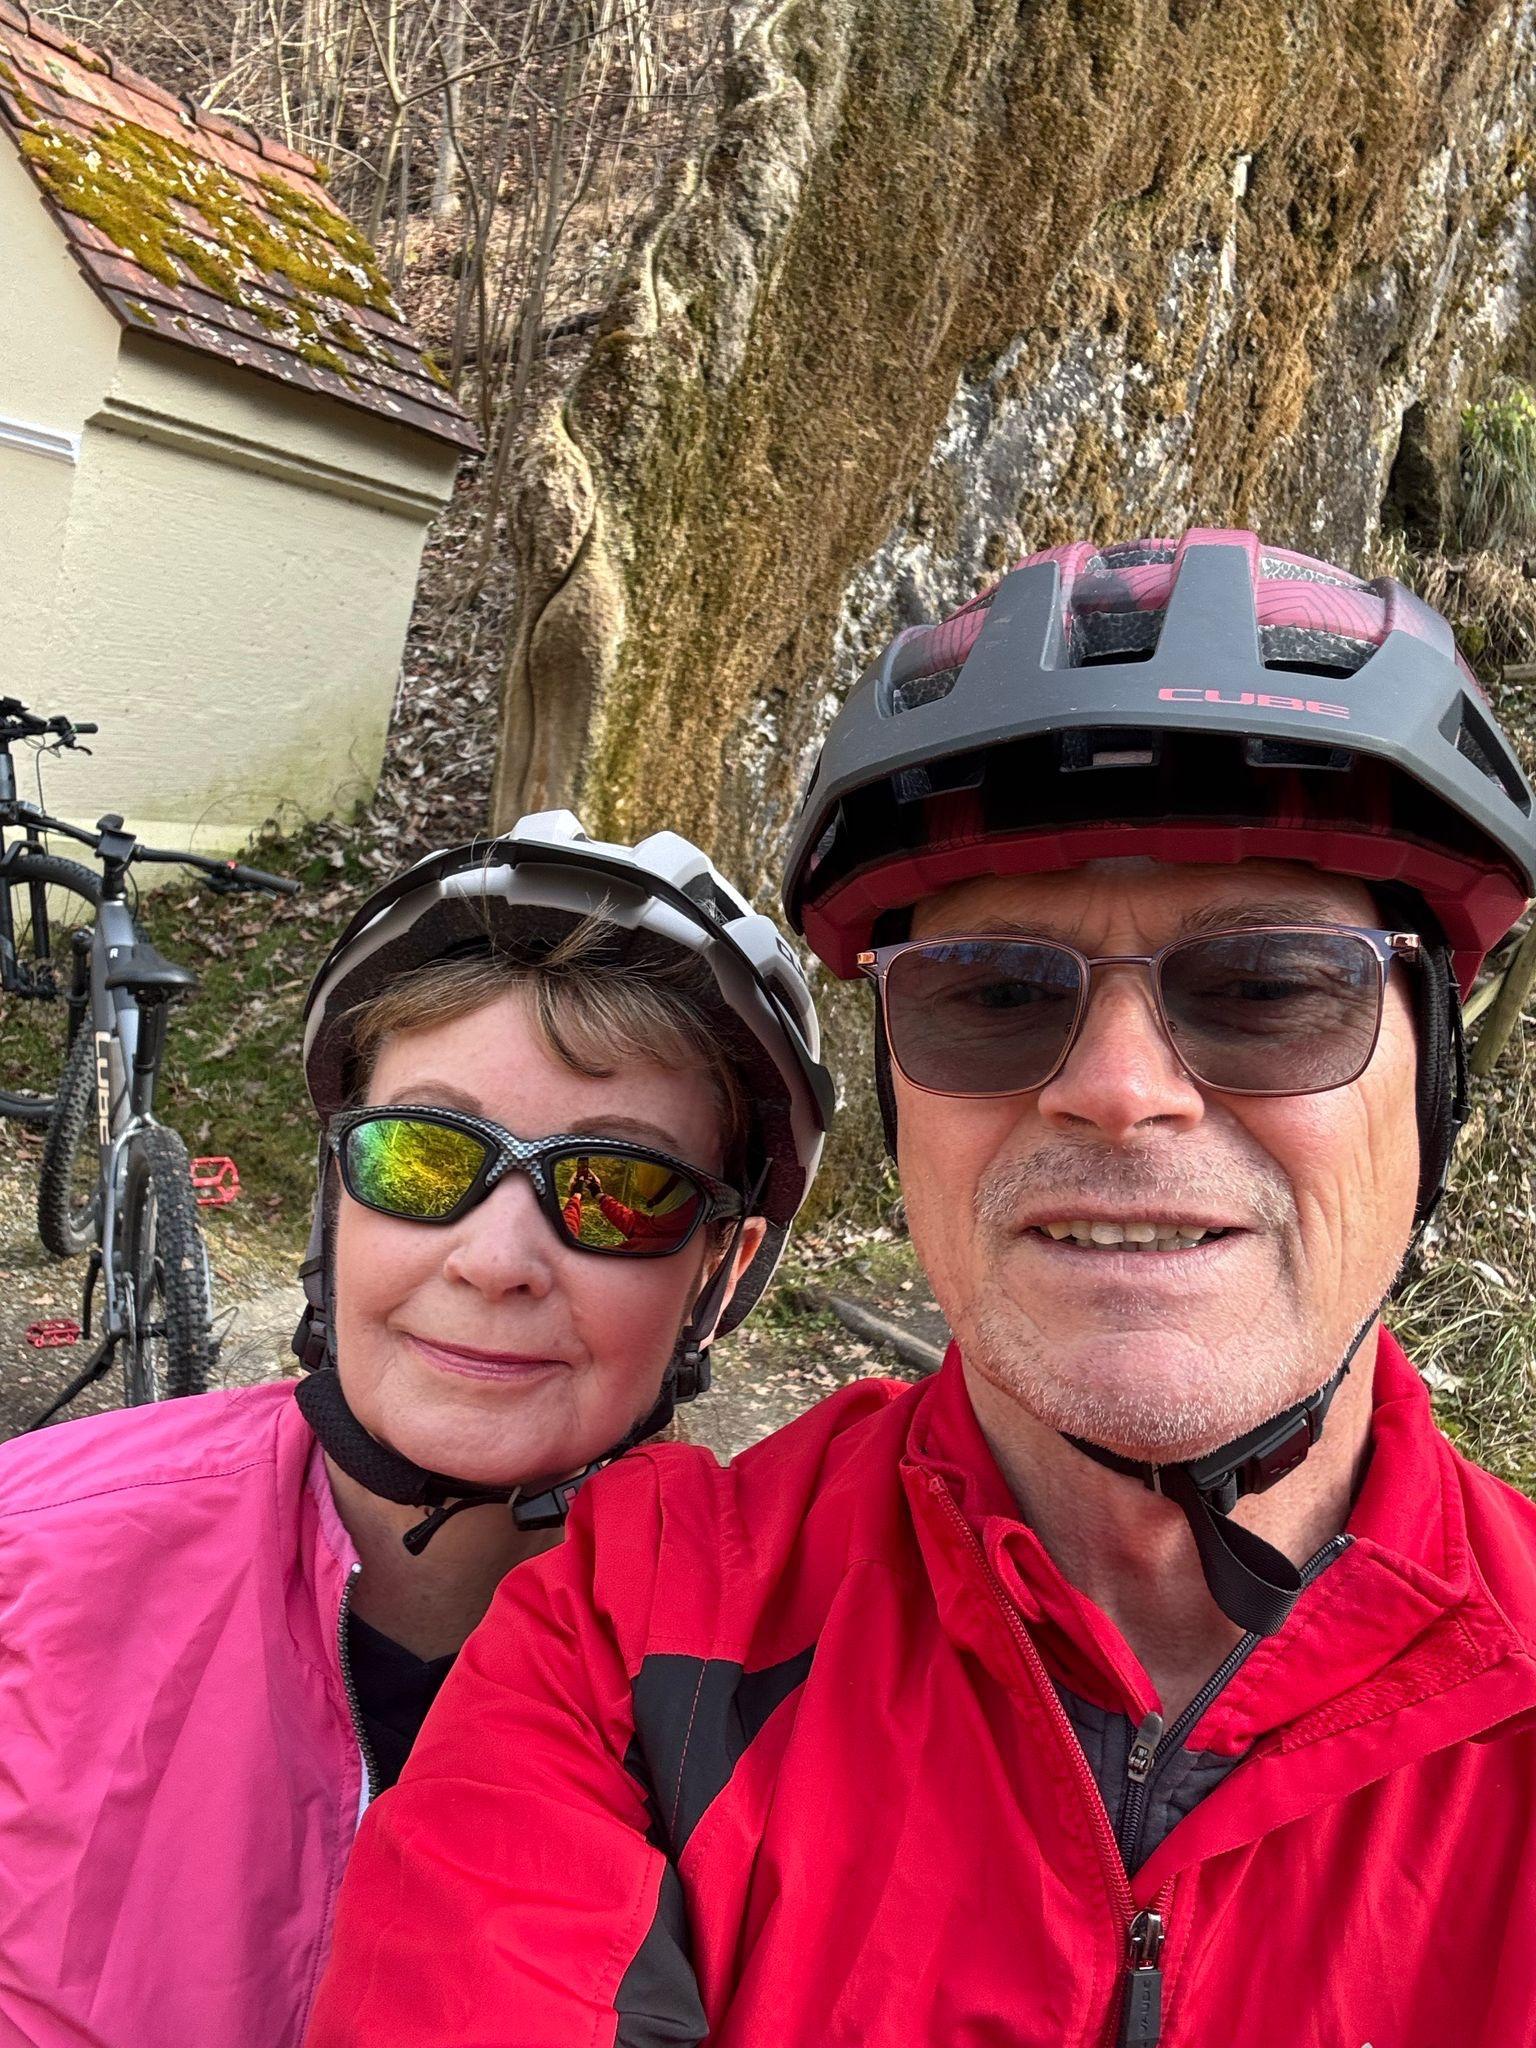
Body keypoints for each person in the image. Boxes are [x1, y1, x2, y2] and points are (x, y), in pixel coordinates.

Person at [305, 531, 1536, 2048]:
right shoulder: (635, 1629)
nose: (1119, 1089)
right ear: (902, 1107)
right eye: (993, 996)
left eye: (1271, 987)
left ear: (1436, 1086)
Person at [0, 810, 833, 2048]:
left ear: (718, 1273)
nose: (496, 1259)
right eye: (422, 1155)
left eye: (620, 1187)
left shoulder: (812, 1693)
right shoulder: (25, 1556)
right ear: (336, 1196)